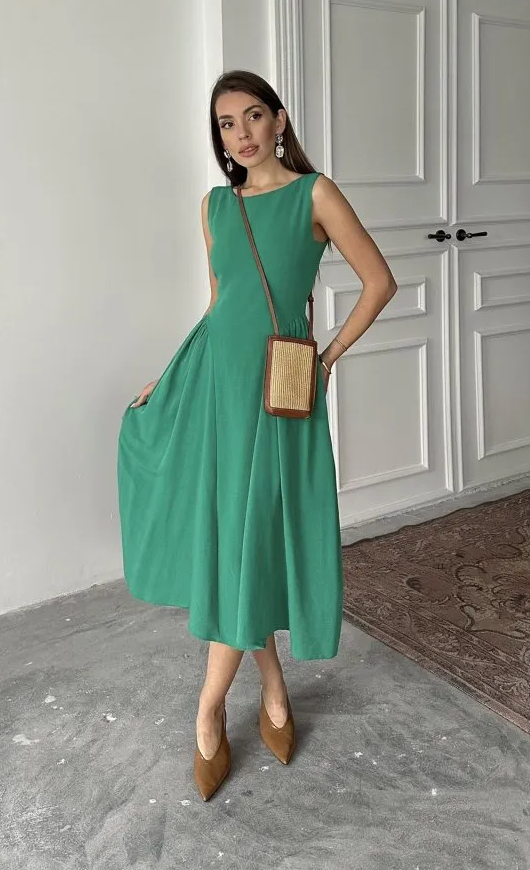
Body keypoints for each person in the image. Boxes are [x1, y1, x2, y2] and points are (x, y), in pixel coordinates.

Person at [117, 69, 397, 801]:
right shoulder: (216, 207)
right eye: (225, 124)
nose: (239, 134)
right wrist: (168, 377)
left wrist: (326, 360)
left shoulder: (315, 195)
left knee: (255, 538)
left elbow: (379, 282)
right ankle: (272, 690)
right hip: (217, 389)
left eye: (251, 117)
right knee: (242, 544)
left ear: (279, 120)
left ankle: (208, 710)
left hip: (280, 396)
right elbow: (221, 305)